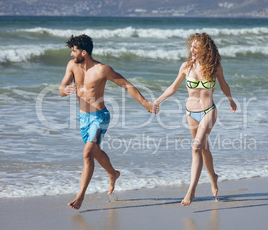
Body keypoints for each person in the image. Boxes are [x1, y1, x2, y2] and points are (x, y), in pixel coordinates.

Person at [59, 34, 157, 210]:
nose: (71, 55)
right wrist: (64, 90)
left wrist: (145, 103)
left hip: (100, 116)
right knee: (95, 153)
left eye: (74, 51)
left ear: (84, 52)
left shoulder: (102, 69)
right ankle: (113, 173)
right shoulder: (72, 66)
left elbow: (127, 85)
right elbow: (61, 88)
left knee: (88, 152)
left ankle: (80, 196)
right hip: (83, 118)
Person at [154, 33, 237, 206]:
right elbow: (173, 87)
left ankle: (191, 191)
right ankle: (213, 177)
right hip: (190, 113)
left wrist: (230, 99)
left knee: (196, 147)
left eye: (196, 47)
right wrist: (157, 101)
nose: (192, 49)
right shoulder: (186, 67)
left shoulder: (215, 67)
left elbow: (223, 85)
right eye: (191, 46)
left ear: (205, 49)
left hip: (209, 111)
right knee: (203, 148)